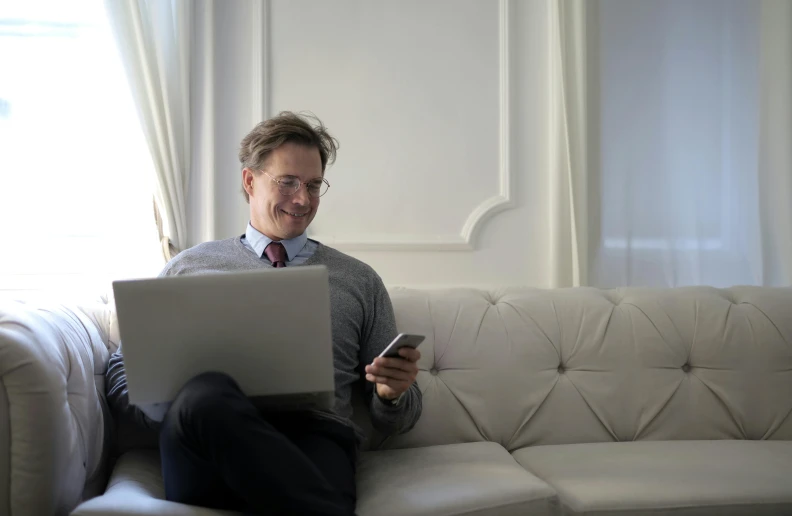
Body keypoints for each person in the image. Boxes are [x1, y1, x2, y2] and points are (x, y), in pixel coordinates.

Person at [105, 111, 423, 516]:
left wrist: (391, 395)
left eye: (312, 185)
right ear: (250, 181)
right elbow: (121, 371)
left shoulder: (358, 280)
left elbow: (402, 416)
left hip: (314, 439)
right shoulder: (188, 266)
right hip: (205, 436)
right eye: (287, 182)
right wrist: (175, 401)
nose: (303, 199)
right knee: (206, 394)